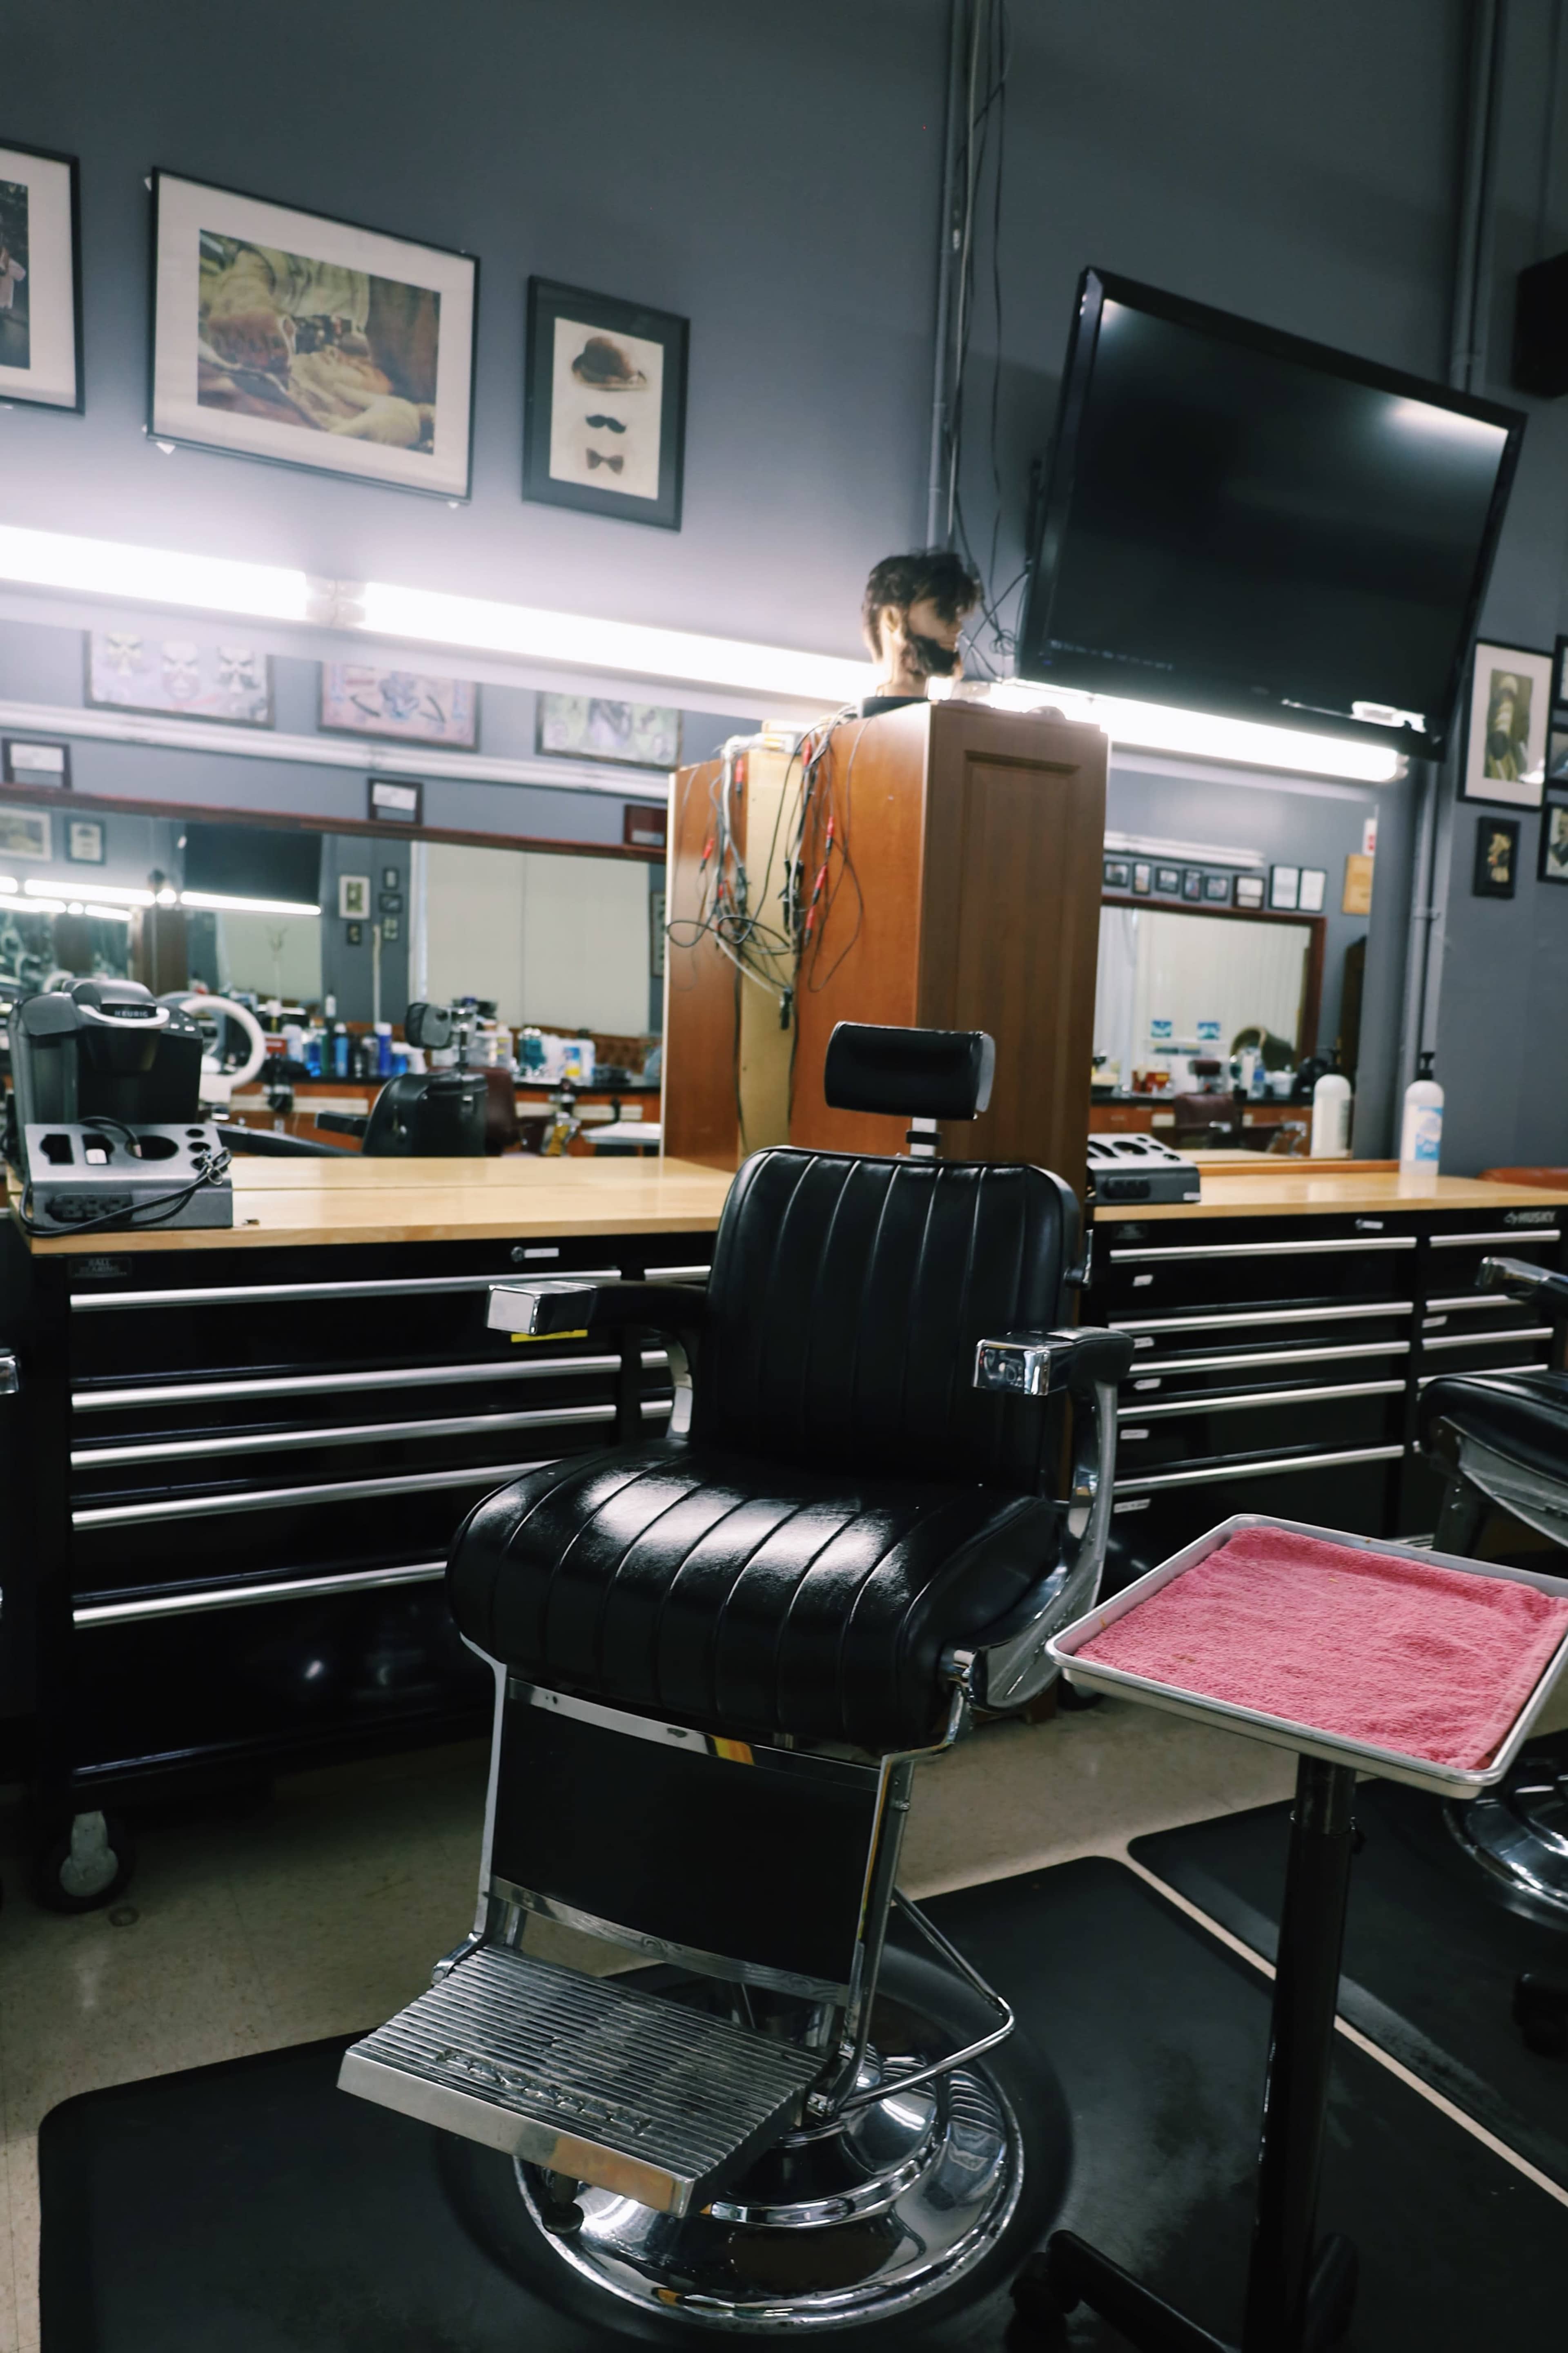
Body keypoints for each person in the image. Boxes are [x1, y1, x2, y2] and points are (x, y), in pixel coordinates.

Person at [859, 549, 981, 716]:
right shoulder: (844, 735)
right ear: (892, 619)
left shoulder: (953, 726)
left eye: (956, 614)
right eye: (942, 612)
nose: (958, 627)